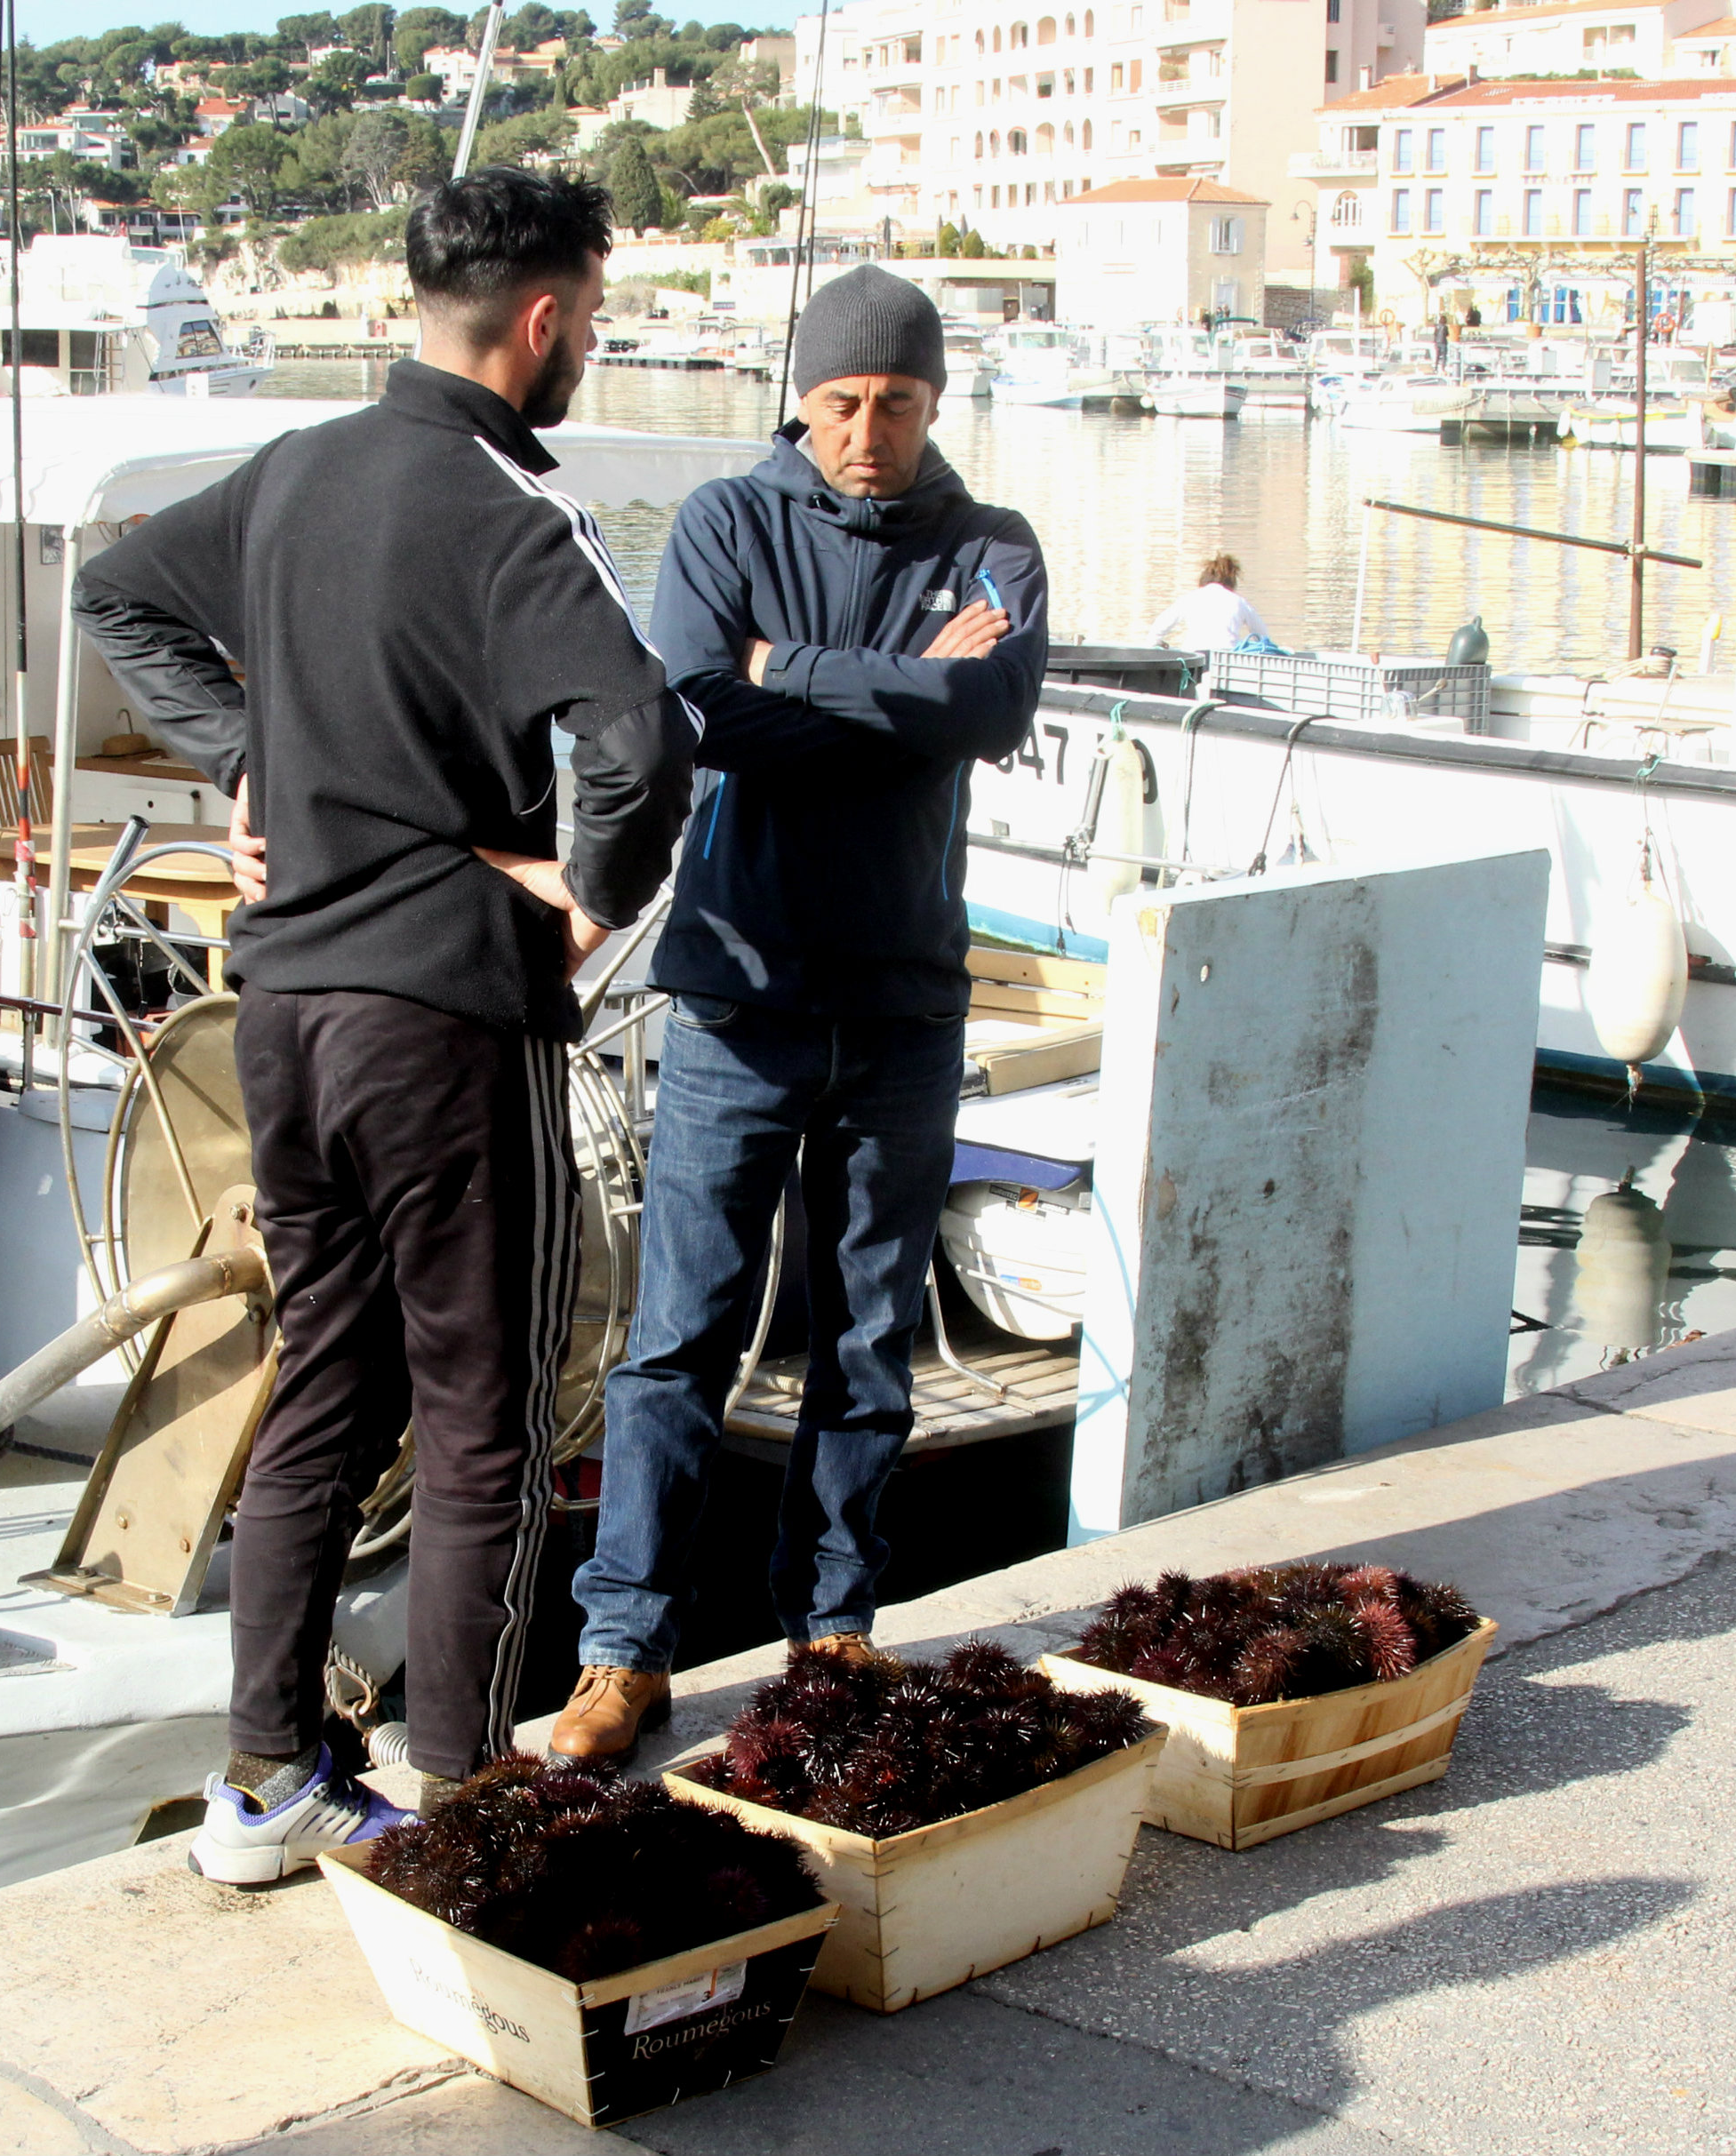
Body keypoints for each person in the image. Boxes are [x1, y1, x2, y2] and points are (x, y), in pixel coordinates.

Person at [71, 167, 698, 1880]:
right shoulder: (507, 507)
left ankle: (265, 1782)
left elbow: (116, 597)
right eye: (593, 318)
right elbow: (643, 739)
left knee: (326, 1390)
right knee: (482, 1410)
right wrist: (582, 900)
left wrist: (244, 760)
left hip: (278, 1012)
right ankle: (467, 1806)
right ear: (549, 317)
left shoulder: (289, 472)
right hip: (443, 1022)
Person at [549, 264, 1049, 1769]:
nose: (866, 432)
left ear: (935, 400)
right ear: (801, 396)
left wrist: (797, 675)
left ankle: (832, 1635)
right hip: (735, 997)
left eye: (896, 403)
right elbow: (693, 709)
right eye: (841, 402)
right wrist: (885, 691)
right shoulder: (722, 522)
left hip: (901, 1002)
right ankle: (622, 1648)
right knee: (679, 1337)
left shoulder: (993, 544)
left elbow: (995, 713)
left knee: (870, 1340)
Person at [1150, 553, 1277, 652]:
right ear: (1231, 582)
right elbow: (1263, 636)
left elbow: (1159, 627)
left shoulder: (1190, 598)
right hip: (1227, 659)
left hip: (1195, 658)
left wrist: (1154, 645)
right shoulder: (1239, 601)